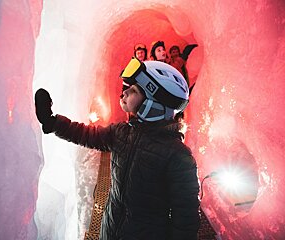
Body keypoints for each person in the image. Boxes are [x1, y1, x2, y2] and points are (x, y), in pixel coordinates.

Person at [35, 58, 200, 239]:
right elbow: (88, 135)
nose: (125, 92)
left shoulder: (178, 157)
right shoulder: (122, 132)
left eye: (134, 90)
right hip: (111, 229)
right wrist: (54, 122)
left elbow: (186, 220)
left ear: (153, 104)